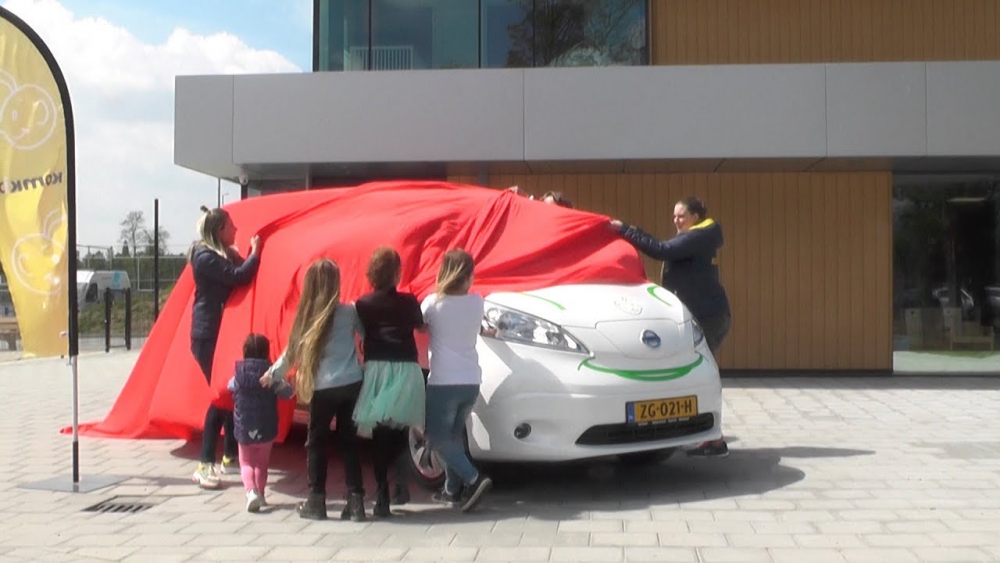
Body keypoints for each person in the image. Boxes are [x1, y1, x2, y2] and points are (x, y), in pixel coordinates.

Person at [610, 196, 732, 457]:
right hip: (705, 316)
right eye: (674, 216)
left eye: (681, 216)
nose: (676, 221)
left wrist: (625, 229)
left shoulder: (697, 237)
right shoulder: (701, 235)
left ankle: (714, 439)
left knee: (703, 373)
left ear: (695, 217)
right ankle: (704, 434)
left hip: (708, 318)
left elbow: (661, 249)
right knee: (699, 373)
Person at [261, 258, 368, 521]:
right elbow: (367, 336)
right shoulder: (349, 312)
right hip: (352, 382)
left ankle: (316, 501)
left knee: (317, 444)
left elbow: (291, 355)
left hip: (323, 387)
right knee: (349, 443)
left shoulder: (306, 317)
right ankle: (356, 502)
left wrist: (272, 374)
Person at [189, 205, 261, 488]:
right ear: (219, 230)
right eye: (232, 226)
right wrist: (255, 251)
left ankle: (230, 453)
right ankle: (205, 464)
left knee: (230, 392)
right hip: (207, 335)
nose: (236, 230)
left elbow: (242, 270)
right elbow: (241, 276)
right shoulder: (205, 257)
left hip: (218, 333)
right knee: (221, 396)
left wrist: (240, 255)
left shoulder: (218, 255)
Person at [353, 247, 427, 518]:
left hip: (378, 369)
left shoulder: (363, 304)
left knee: (380, 434)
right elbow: (421, 327)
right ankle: (401, 485)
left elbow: (361, 330)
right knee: (401, 431)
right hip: (407, 368)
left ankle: (382, 494)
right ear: (396, 273)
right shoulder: (409, 301)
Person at [421, 249, 492, 512]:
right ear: (469, 275)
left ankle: (474, 479)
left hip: (443, 382)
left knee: (438, 438)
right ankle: (451, 490)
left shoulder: (432, 304)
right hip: (471, 381)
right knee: (454, 436)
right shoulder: (477, 302)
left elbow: (420, 325)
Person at [227, 333, 293, 512]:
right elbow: (288, 393)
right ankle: (261, 494)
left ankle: (251, 492)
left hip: (244, 426)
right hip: (266, 425)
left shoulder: (238, 374)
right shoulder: (271, 374)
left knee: (246, 462)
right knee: (261, 464)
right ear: (266, 352)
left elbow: (229, 386)